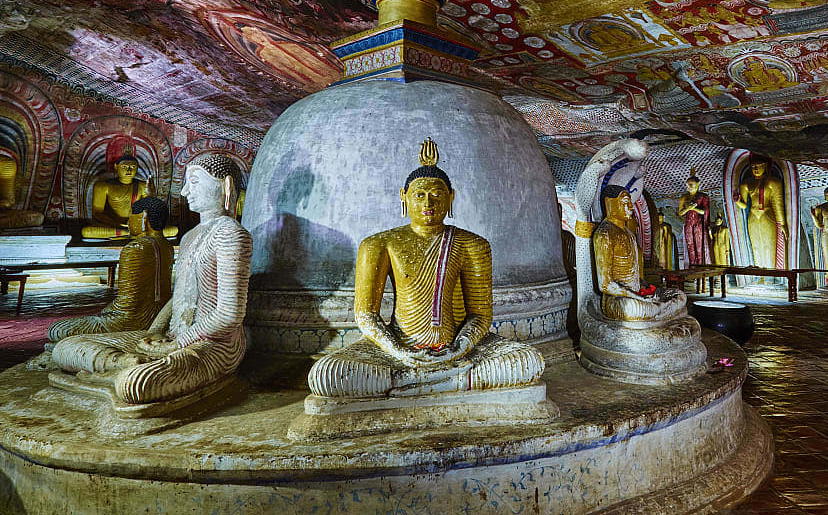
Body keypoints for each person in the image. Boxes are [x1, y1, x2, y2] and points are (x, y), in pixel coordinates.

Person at [305, 139, 545, 398]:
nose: (428, 203)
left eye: (437, 194)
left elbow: (480, 315)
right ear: (404, 196)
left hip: (455, 347)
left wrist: (460, 347)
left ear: (450, 197)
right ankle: (450, 381)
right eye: (419, 194)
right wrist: (400, 351)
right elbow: (366, 315)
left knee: (528, 362)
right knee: (326, 375)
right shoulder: (379, 244)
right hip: (399, 347)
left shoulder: (472, 244)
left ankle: (409, 384)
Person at [52, 154, 252, 409]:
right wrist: (155, 331)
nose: (185, 190)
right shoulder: (190, 236)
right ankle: (122, 362)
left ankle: (128, 370)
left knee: (134, 384)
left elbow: (229, 314)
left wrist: (180, 343)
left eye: (195, 181)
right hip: (172, 336)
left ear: (225, 186)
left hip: (214, 345)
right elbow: (180, 296)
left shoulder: (231, 234)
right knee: (66, 346)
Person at [44, 198, 174, 348]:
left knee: (57, 329)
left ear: (144, 217)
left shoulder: (135, 248)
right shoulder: (167, 246)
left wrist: (104, 314)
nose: (128, 222)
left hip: (129, 320)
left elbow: (126, 306)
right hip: (157, 316)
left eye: (131, 216)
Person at [593, 186, 685, 321]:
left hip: (637, 293)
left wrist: (645, 287)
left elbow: (634, 276)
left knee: (679, 295)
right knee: (639, 308)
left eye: (630, 202)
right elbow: (605, 284)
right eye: (625, 202)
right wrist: (638, 297)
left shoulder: (629, 233)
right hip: (619, 300)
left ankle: (660, 310)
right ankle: (661, 311)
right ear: (610, 204)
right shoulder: (604, 234)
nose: (631, 206)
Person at [736, 155, 786, 269]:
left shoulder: (773, 182)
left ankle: (770, 273)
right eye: (753, 166)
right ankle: (760, 273)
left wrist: (782, 224)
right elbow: (744, 205)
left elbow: (778, 204)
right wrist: (737, 201)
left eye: (758, 165)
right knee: (756, 245)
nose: (756, 169)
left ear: (765, 165)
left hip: (767, 214)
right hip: (753, 216)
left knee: (769, 245)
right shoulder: (746, 183)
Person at [677, 168, 711, 266]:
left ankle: (700, 266)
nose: (688, 187)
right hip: (688, 223)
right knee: (690, 245)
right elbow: (680, 213)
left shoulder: (703, 197)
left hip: (699, 223)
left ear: (697, 185)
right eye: (687, 185)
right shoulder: (684, 197)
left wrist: (694, 208)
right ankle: (692, 265)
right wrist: (688, 209)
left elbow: (704, 212)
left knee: (699, 245)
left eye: (691, 185)